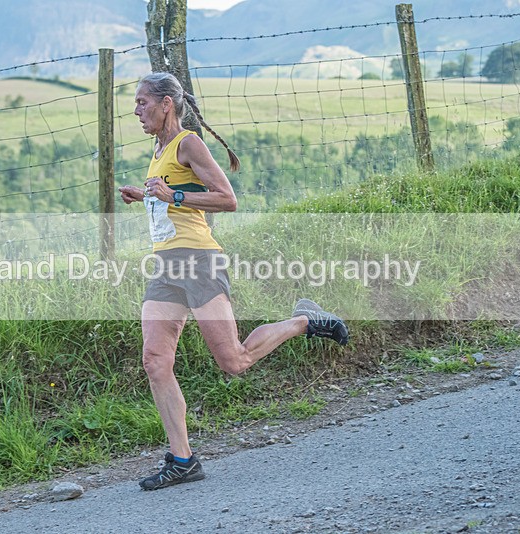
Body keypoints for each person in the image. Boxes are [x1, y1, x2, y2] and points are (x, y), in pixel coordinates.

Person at [118, 72, 349, 491]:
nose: (136, 110)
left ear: (166, 104)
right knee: (155, 360)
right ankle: (183, 460)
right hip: (166, 267)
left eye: (142, 102)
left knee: (234, 361)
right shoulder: (159, 149)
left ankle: (304, 320)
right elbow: (173, 201)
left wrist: (173, 196)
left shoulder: (188, 143)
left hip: (199, 262)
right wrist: (147, 195)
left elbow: (227, 199)